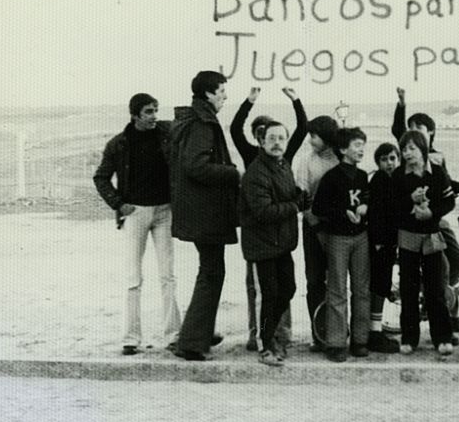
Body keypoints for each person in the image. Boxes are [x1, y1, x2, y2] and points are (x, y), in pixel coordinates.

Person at [93, 93, 181, 356]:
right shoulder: (118, 144)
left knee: (168, 275)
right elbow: (101, 178)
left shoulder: (165, 133)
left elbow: (183, 125)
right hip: (135, 213)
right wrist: (119, 204)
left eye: (156, 110)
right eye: (148, 112)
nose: (154, 116)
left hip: (165, 211)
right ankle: (130, 338)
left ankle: (173, 335)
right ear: (135, 115)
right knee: (133, 277)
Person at [230, 86, 307, 354]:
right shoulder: (255, 169)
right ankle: (264, 343)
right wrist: (296, 204)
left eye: (281, 138)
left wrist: (296, 100)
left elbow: (302, 129)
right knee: (266, 294)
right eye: (271, 138)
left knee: (287, 289)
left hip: (282, 243)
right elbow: (263, 212)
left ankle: (271, 335)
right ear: (261, 140)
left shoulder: (283, 163)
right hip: (262, 244)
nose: (277, 142)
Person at [169, 70, 240, 361]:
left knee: (210, 271)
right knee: (211, 272)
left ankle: (199, 331)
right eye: (222, 92)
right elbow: (196, 166)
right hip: (206, 213)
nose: (225, 97)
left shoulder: (191, 119)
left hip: (197, 211)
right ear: (208, 94)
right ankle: (192, 343)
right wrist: (234, 173)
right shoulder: (203, 124)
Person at [392, 86, 459, 334]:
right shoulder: (407, 157)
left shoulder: (437, 158)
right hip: (412, 227)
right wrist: (402, 104)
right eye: (410, 129)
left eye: (419, 130)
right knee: (426, 270)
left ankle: (446, 310)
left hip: (436, 220)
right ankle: (432, 308)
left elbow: (447, 185)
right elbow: (397, 130)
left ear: (431, 133)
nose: (413, 135)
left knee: (456, 261)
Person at [393, 130, 457, 355]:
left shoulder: (437, 172)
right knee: (408, 288)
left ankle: (442, 337)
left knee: (435, 287)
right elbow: (392, 206)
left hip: (431, 235)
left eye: (412, 148)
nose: (407, 153)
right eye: (404, 149)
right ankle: (409, 338)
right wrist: (409, 202)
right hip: (408, 236)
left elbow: (449, 202)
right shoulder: (399, 175)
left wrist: (432, 213)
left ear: (423, 149)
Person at [311, 127, 371, 363]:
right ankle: (336, 342)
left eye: (363, 145)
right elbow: (319, 209)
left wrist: (365, 207)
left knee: (362, 289)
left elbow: (366, 197)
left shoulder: (363, 175)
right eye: (357, 145)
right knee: (337, 289)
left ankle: (360, 340)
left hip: (361, 237)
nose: (361, 150)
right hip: (337, 238)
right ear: (343, 149)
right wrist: (343, 213)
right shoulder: (331, 177)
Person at [294, 114, 341, 352]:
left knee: (338, 282)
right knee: (314, 280)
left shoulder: (340, 159)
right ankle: (318, 333)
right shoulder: (306, 161)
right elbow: (300, 197)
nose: (310, 140)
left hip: (338, 228)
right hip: (313, 227)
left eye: (314, 135)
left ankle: (338, 331)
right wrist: (312, 220)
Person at [365, 142, 402, 353]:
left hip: (390, 240)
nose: (389, 163)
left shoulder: (396, 179)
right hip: (382, 242)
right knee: (379, 285)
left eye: (392, 158)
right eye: (384, 159)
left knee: (383, 283)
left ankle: (376, 329)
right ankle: (375, 333)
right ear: (378, 163)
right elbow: (376, 213)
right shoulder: (379, 181)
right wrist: (378, 241)